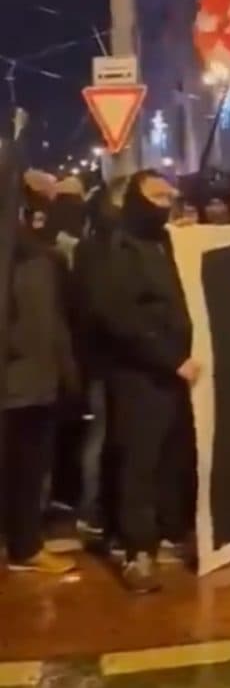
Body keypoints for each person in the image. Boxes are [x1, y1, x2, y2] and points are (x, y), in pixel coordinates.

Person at [92, 170, 197, 593]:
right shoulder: (115, 246)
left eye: (170, 196)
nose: (165, 203)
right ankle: (139, 550)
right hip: (139, 374)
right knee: (140, 460)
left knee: (174, 456)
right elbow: (117, 315)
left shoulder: (168, 242)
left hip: (178, 371)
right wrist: (169, 358)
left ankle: (170, 529)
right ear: (135, 198)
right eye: (156, 196)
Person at [2, 205, 79, 574]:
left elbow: (57, 320)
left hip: (37, 382)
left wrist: (66, 374)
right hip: (16, 382)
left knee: (29, 472)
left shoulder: (42, 258)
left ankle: (25, 545)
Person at [72, 177, 128, 542]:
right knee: (104, 434)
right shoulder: (96, 249)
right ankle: (93, 510)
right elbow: (97, 307)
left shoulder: (96, 247)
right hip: (107, 359)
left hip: (117, 359)